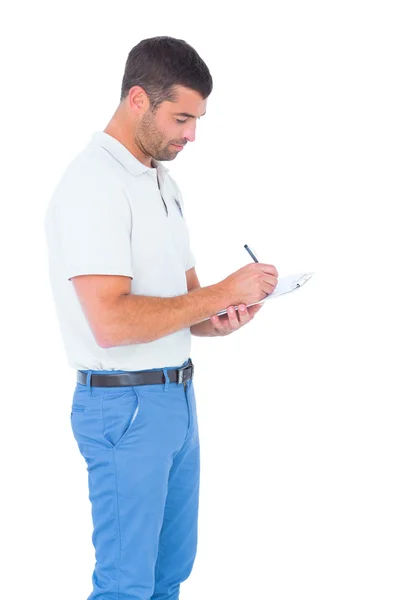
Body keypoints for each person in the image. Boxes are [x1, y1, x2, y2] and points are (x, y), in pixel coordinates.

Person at [44, 36, 278, 600]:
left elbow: (185, 303)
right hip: (124, 407)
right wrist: (222, 290)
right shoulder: (93, 186)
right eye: (181, 117)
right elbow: (112, 323)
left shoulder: (161, 183)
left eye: (197, 119)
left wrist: (218, 316)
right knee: (126, 586)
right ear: (137, 100)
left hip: (176, 398)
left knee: (169, 575)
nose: (191, 134)